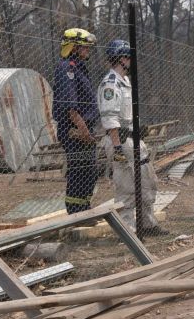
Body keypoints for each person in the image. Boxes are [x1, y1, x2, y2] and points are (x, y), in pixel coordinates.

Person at [97, 39, 169, 237]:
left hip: (132, 139)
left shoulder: (126, 81)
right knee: (126, 188)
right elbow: (110, 119)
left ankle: (147, 223)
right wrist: (117, 147)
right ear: (120, 59)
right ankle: (128, 231)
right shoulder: (110, 85)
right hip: (119, 140)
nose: (131, 61)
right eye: (128, 57)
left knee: (147, 181)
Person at [52, 28, 100, 214]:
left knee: (89, 172)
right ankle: (75, 211)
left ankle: (84, 208)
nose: (88, 50)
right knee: (79, 172)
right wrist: (84, 131)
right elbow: (70, 108)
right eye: (84, 46)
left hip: (83, 129)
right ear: (73, 47)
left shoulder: (79, 67)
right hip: (74, 130)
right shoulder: (67, 68)